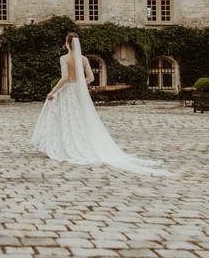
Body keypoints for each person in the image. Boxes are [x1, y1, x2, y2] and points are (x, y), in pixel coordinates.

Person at [31, 33, 170, 175]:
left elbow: (65, 78)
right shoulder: (84, 59)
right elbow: (91, 78)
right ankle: (81, 143)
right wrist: (80, 84)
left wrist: (53, 91)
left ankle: (64, 146)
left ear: (67, 43)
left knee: (67, 118)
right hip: (78, 91)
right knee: (81, 118)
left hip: (68, 92)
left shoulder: (64, 58)